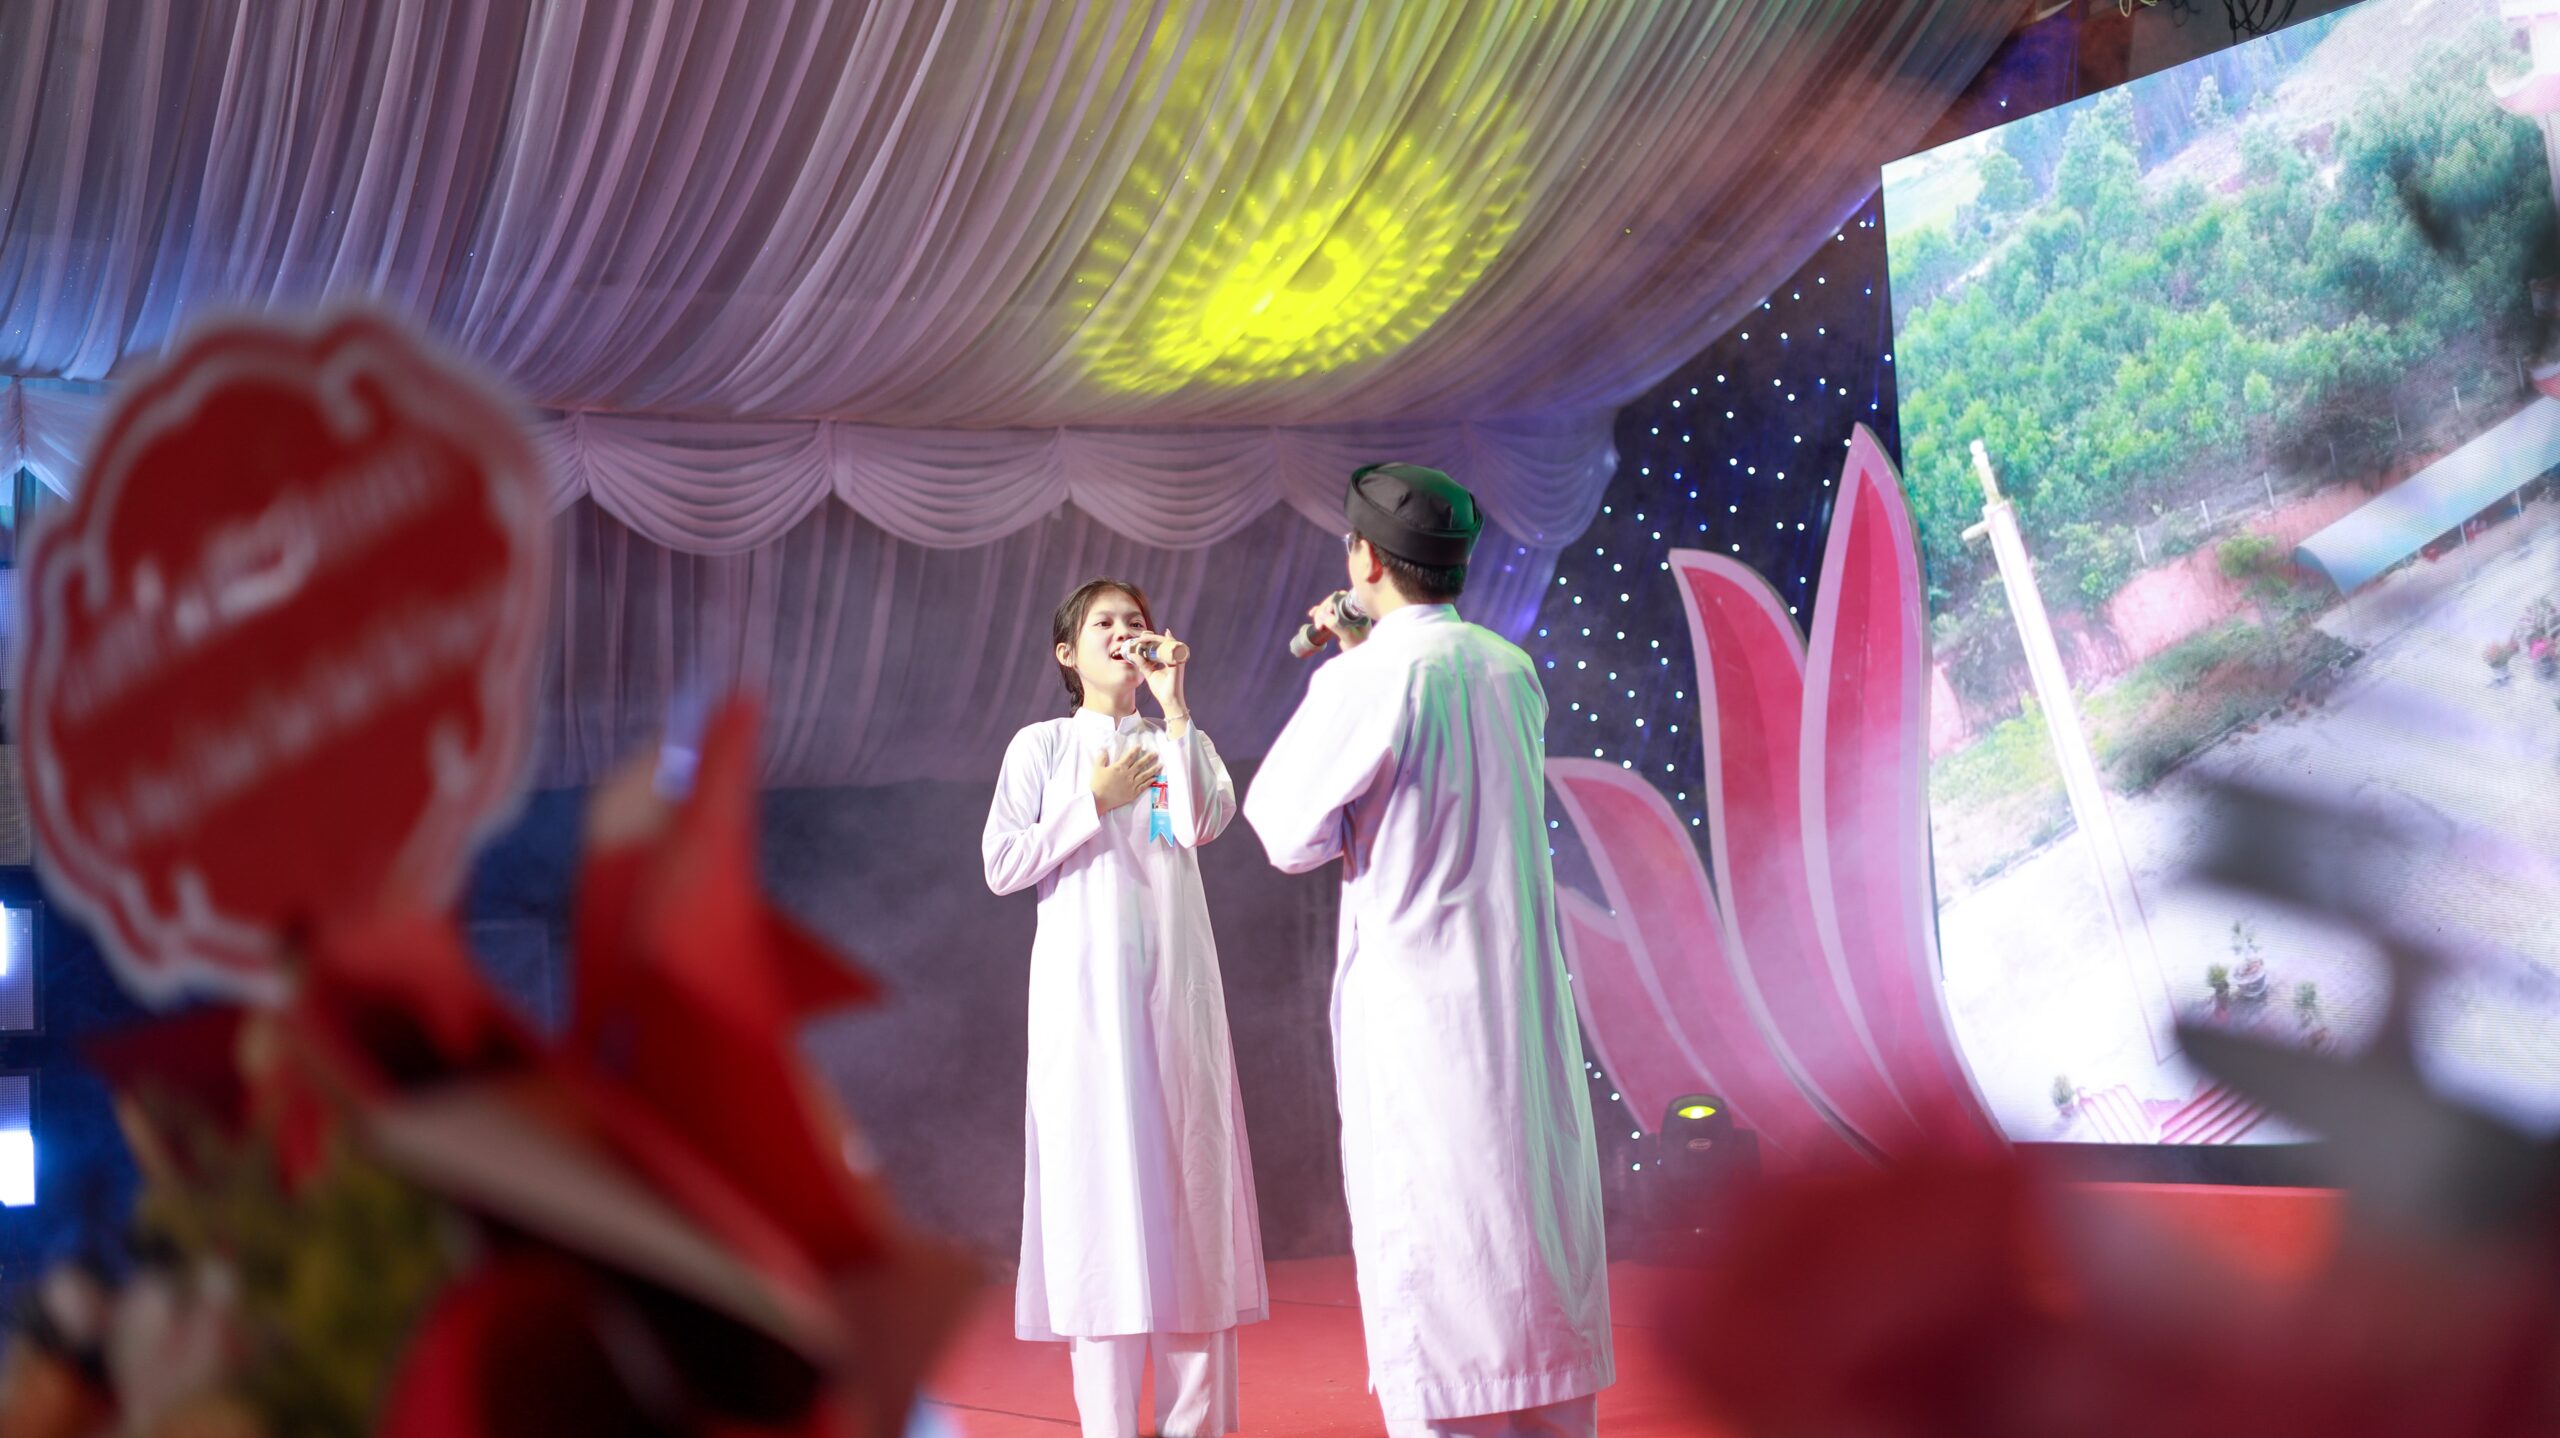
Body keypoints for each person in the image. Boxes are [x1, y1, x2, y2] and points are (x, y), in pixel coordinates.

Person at [1242, 465, 1614, 1437]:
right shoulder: (1508, 667)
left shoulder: (1364, 679)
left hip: (1422, 1016)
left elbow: (1283, 828)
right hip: (1518, 1004)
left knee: (1442, 1266)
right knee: (1532, 1242)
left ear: (1365, 559)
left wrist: (1346, 666)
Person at [982, 579, 1267, 1438]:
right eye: (1103, 623)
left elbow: (1201, 823)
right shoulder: (1041, 746)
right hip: (1085, 1014)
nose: (1123, 633)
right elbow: (1002, 863)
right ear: (1067, 653)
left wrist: (1176, 709)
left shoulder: (1176, 737)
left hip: (1174, 1004)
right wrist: (1093, 802)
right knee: (1096, 1208)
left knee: (1190, 1204)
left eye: (1135, 622)